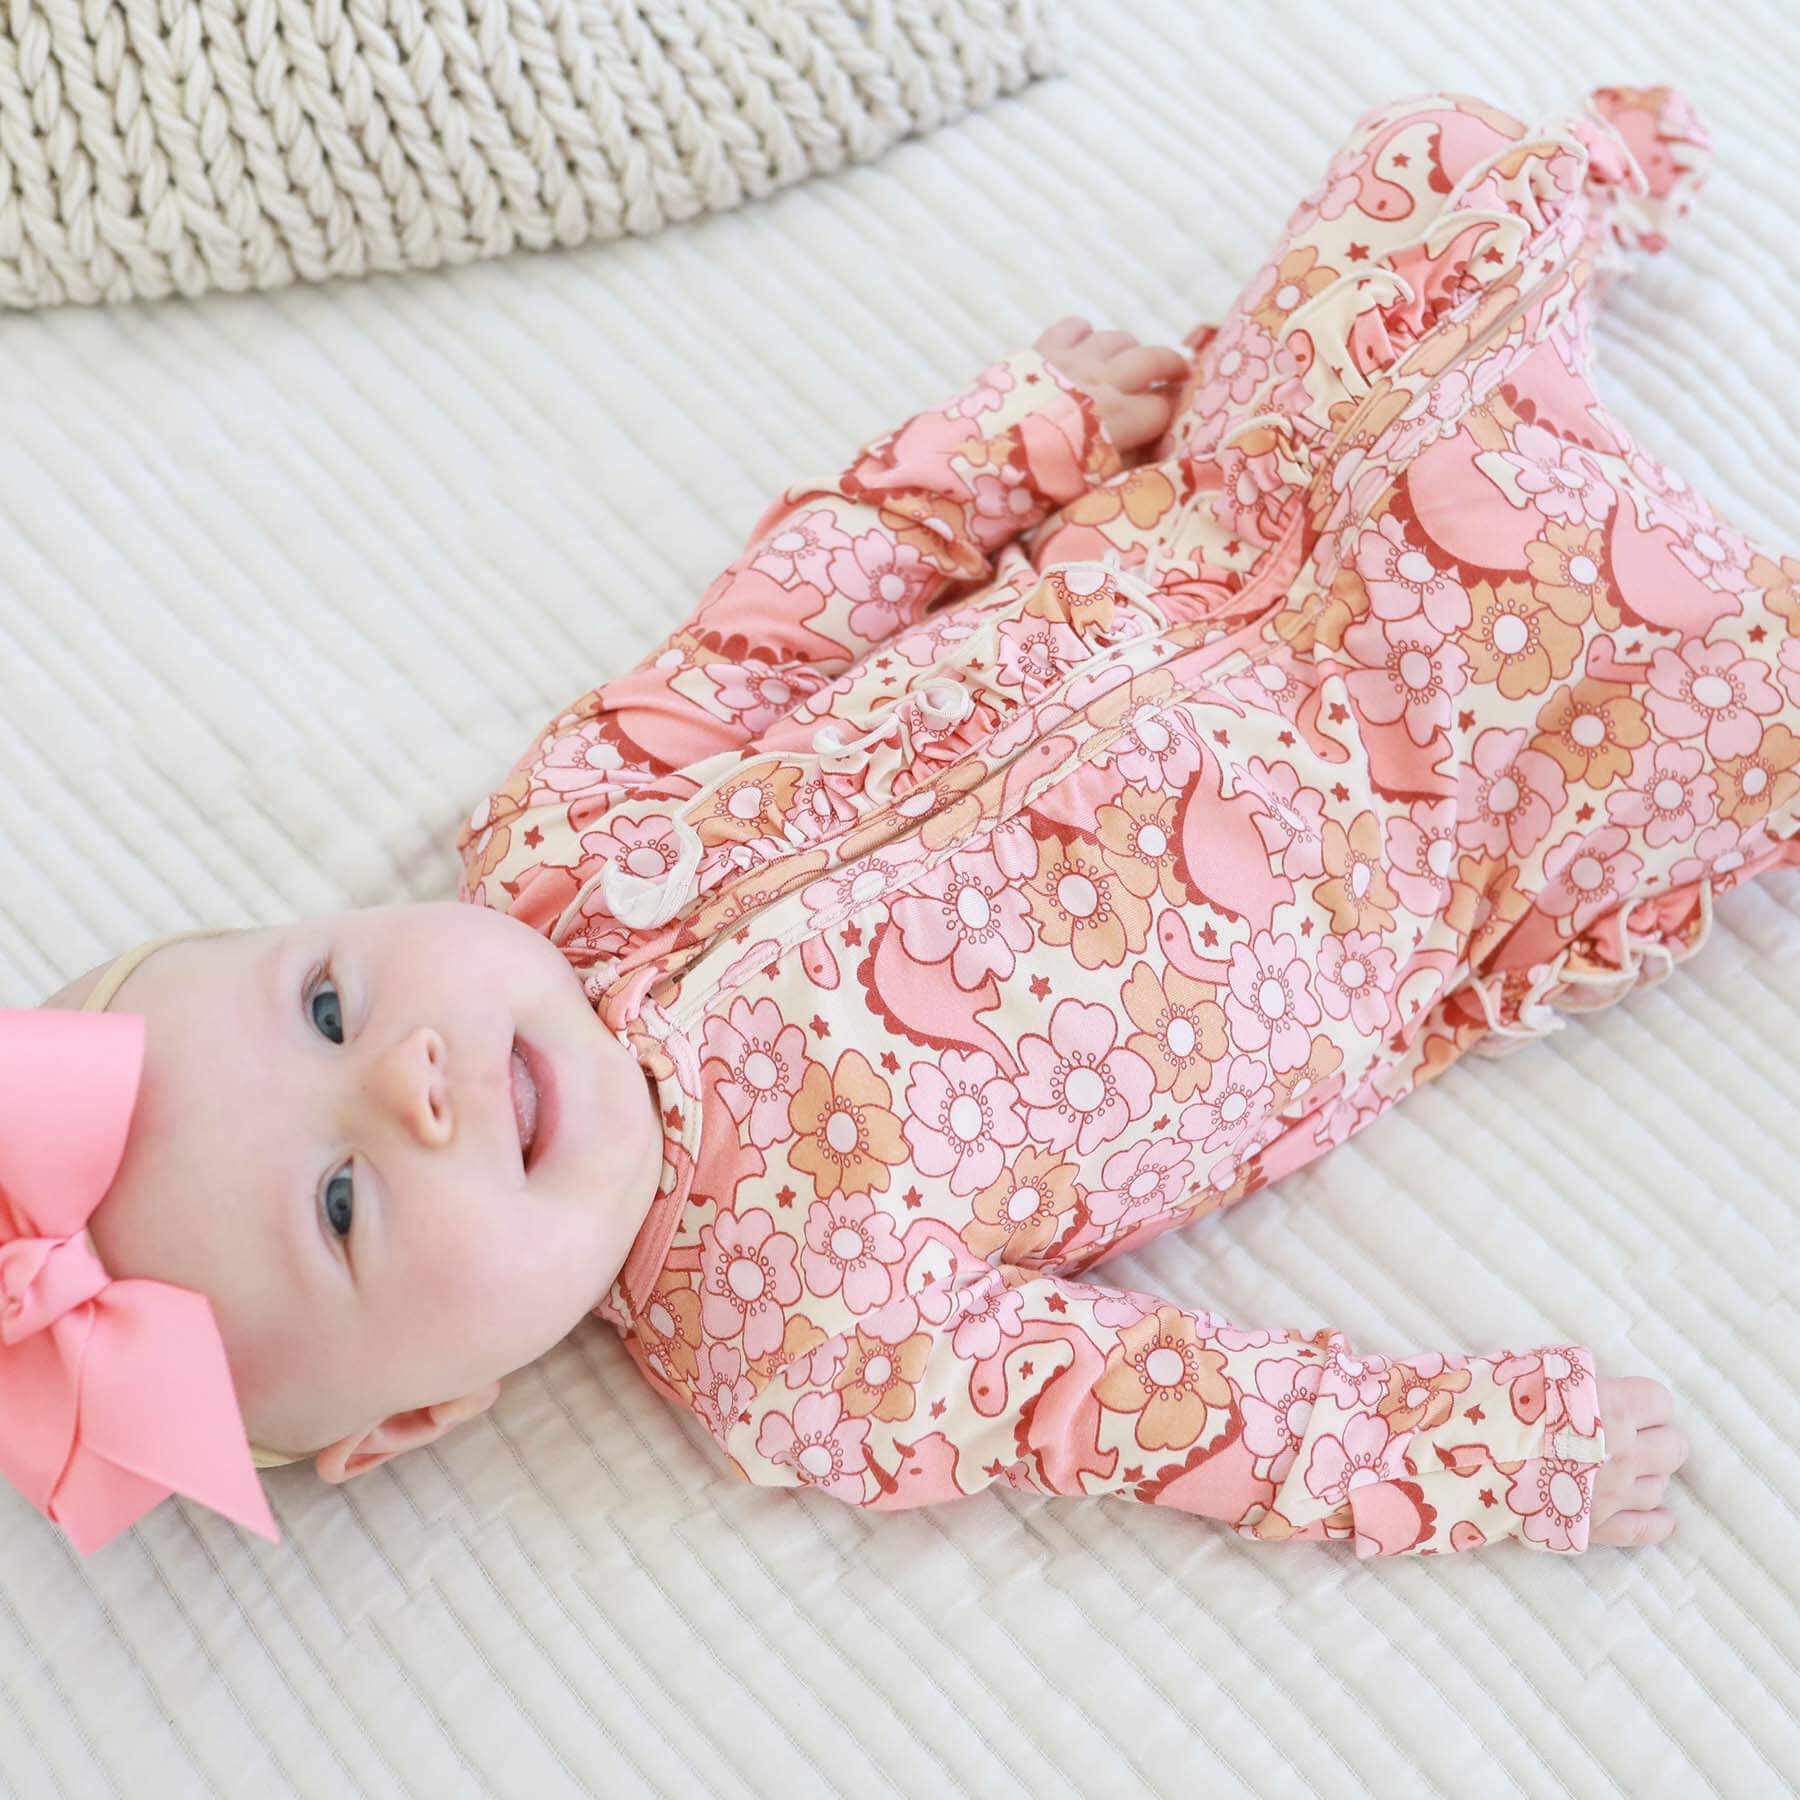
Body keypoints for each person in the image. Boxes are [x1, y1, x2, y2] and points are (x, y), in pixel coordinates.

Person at [20, 81, 1788, 1559]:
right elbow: (1147, 1406)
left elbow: (772, 626)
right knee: (1742, 709)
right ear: (424, 1412)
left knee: (1431, 170)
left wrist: (1014, 437)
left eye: (329, 1003)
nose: (408, 1080)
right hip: (1457, 814)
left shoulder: (551, 847)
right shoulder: (803, 1342)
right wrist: (1477, 1456)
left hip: (1225, 524)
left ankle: (1589, 195)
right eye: (343, 1205)